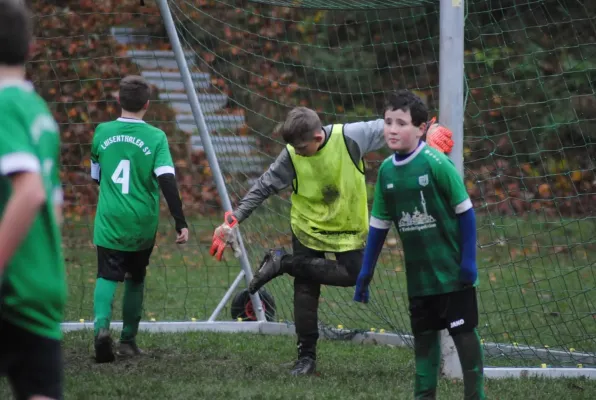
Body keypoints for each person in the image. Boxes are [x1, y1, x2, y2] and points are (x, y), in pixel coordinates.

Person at [210, 105, 454, 376]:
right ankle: (306, 358)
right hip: (307, 226)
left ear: (317, 138)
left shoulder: (352, 137)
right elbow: (265, 185)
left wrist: (427, 129)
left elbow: (393, 128)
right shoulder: (292, 153)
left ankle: (283, 263)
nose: (297, 153)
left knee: (356, 274)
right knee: (306, 288)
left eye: (302, 148)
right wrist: (233, 220)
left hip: (346, 228)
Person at [353, 89, 484, 399]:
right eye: (388, 122)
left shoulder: (436, 163)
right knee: (424, 345)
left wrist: (468, 263)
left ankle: (475, 396)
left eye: (401, 123)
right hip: (420, 280)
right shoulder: (386, 171)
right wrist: (365, 272)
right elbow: (378, 226)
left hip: (452, 274)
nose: (392, 130)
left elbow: (466, 213)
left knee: (465, 338)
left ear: (421, 128)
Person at [91, 75, 189, 363]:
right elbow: (167, 180)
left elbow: (95, 177)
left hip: (109, 218)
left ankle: (100, 330)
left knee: (106, 274)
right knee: (135, 277)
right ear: (147, 104)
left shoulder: (102, 131)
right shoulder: (156, 137)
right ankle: (128, 342)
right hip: (141, 222)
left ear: (118, 101)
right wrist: (180, 220)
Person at [0, 1, 67, 399]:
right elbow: (53, 211)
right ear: (31, 49)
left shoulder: (3, 104)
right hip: (43, 282)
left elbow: (30, 191)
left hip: (11, 283)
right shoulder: (39, 111)